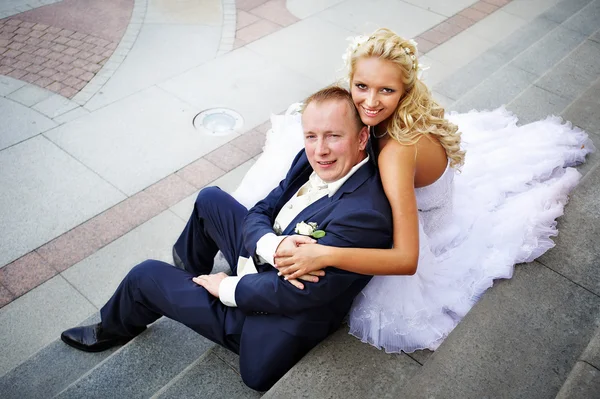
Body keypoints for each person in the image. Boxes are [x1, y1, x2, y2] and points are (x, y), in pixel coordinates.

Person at [231, 28, 595, 353]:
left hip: (425, 228)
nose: (370, 102)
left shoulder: (395, 155)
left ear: (404, 90)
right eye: (362, 87)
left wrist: (325, 255)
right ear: (350, 80)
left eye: (386, 90)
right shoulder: (381, 117)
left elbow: (406, 260)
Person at [59, 86, 393, 391]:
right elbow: (261, 210)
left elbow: (296, 292)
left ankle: (115, 326)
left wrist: (227, 289)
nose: (320, 150)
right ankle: (191, 272)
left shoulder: (363, 215)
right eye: (311, 136)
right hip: (266, 254)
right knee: (210, 199)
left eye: (333, 136)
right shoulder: (310, 159)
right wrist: (271, 244)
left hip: (279, 309)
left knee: (144, 276)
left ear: (362, 137)